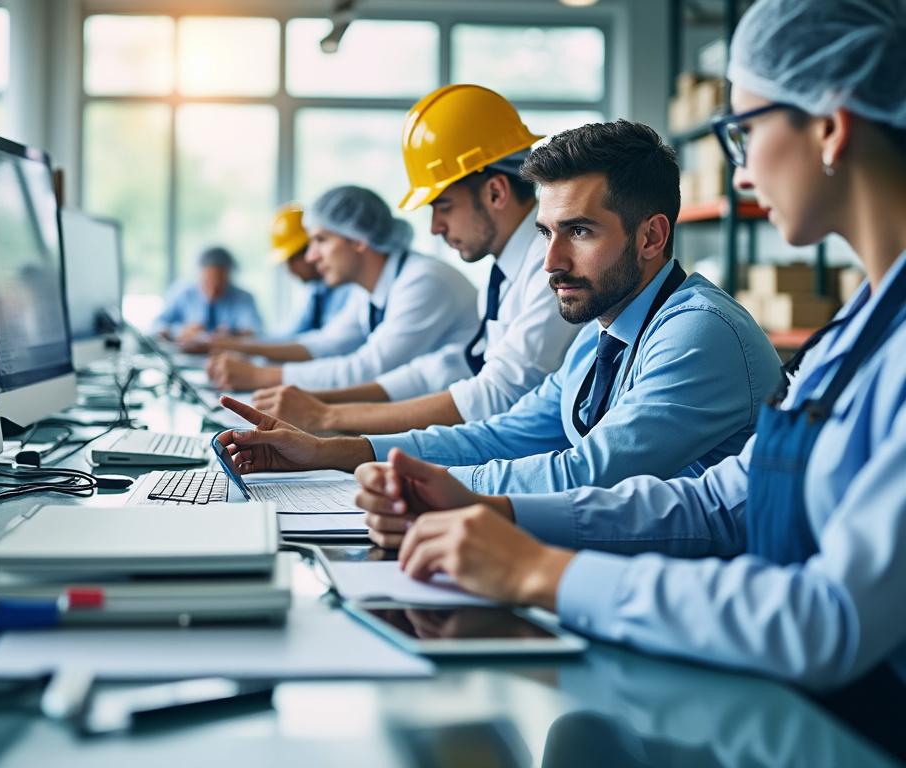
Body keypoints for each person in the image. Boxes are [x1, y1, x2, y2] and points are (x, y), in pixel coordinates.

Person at [354, 0, 906, 698]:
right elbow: (720, 502)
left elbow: (827, 620)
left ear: (830, 127)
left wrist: (539, 571)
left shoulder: (711, 332)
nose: (738, 174)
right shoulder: (855, 330)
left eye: (743, 132)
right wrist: (495, 511)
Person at [216, 120, 780, 499]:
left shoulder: (698, 333)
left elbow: (590, 473)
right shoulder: (599, 335)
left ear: (652, 237)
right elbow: (501, 435)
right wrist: (334, 452)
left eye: (579, 231)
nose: (551, 262)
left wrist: (421, 485)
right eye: (546, 233)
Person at [251, 85, 579, 434]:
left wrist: (326, 416)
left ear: (496, 192)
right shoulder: (503, 274)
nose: (435, 227)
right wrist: (321, 405)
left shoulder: (550, 268)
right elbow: (453, 368)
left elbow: (496, 394)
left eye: (443, 206)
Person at [206, 185, 477, 391]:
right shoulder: (368, 289)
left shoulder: (424, 281)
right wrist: (242, 348)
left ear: (358, 239)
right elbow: (326, 344)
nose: (311, 256)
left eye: (321, 240)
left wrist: (258, 375)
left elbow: (367, 369)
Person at [180, 204, 358, 359]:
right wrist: (233, 343)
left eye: (290, 260)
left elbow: (328, 345)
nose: (289, 270)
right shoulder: (314, 291)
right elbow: (290, 336)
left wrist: (238, 346)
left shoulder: (349, 292)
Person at [154, 245, 262, 342]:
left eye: (219, 285)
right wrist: (180, 330)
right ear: (199, 275)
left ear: (229, 278)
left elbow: (255, 330)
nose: (212, 292)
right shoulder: (183, 293)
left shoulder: (243, 298)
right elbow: (157, 325)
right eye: (207, 283)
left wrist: (233, 334)